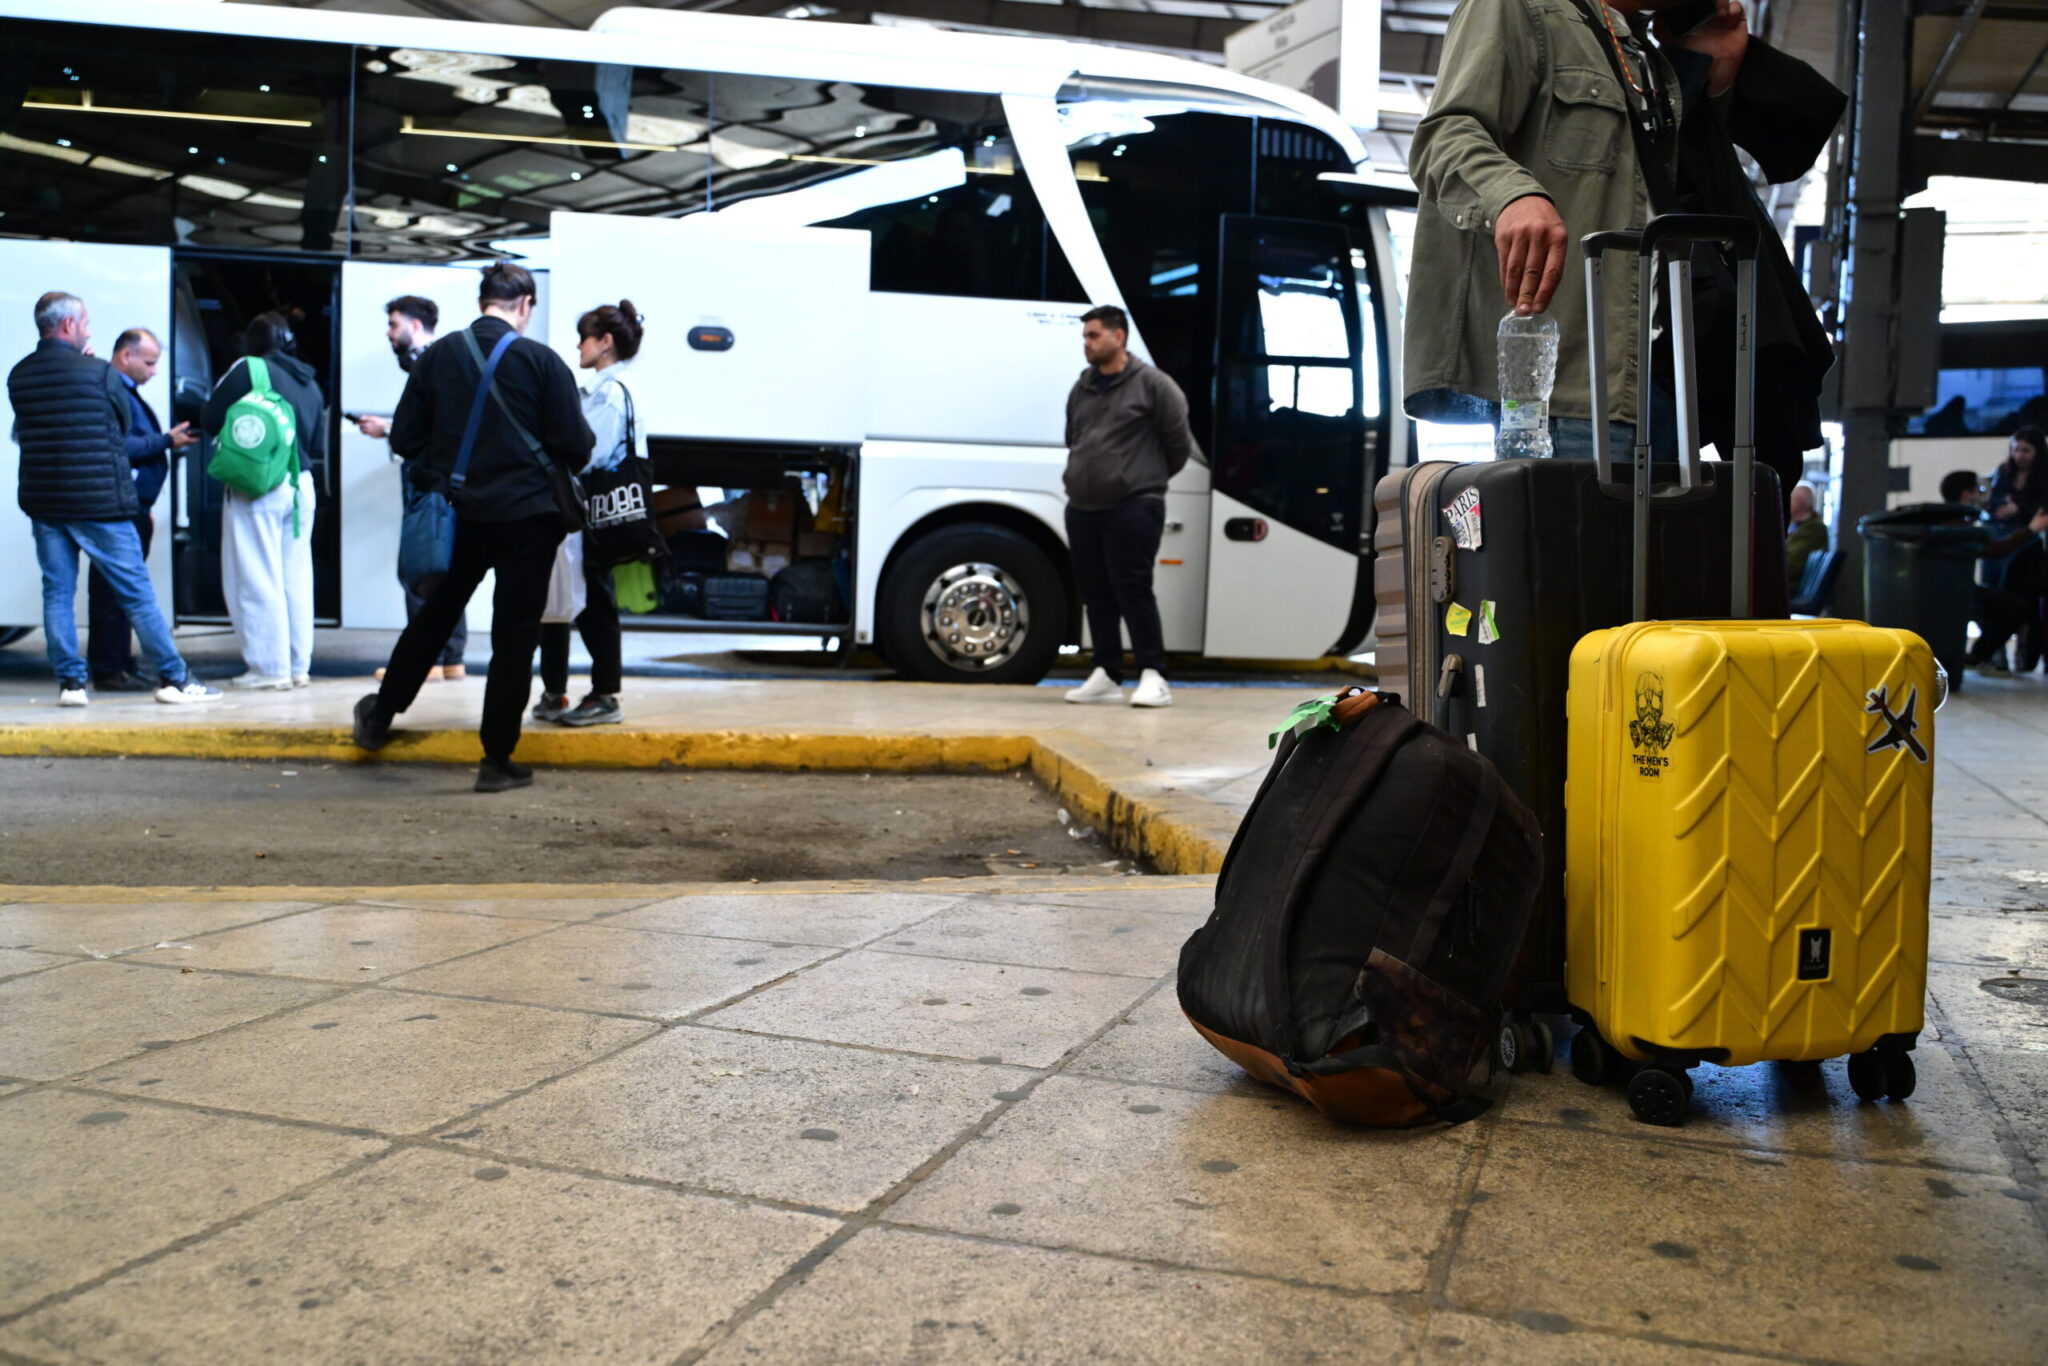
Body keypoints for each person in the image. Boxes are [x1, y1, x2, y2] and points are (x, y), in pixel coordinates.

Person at [1407, 0, 1843, 506]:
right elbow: (1446, 132)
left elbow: (1692, 188)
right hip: (1573, 384)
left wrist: (1713, 73)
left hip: (1660, 380)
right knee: (1582, 546)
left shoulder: (1644, 57)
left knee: (1653, 552)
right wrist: (1512, 196)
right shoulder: (1522, 9)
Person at [352, 263, 593, 793]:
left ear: (483, 299)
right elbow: (577, 447)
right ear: (524, 304)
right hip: (529, 521)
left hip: (459, 514)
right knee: (514, 638)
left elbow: (406, 439)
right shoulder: (542, 361)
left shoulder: (439, 356)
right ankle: (496, 761)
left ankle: (379, 717)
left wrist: (450, 467)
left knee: (435, 618)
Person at [8, 291, 218, 706]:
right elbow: (121, 423)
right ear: (69, 325)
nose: (88, 331)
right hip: (99, 503)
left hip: (45, 501)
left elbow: (24, 431)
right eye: (85, 323)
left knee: (57, 592)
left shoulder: (20, 374)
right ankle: (175, 678)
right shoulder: (99, 373)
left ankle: (71, 684)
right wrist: (92, 369)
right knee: (136, 593)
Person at [1060, 305, 1197, 709]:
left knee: (1133, 587)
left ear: (1118, 337)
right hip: (1083, 506)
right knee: (1095, 592)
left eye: (1093, 335)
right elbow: (1073, 437)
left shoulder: (1154, 385)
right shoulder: (1082, 387)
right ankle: (1106, 672)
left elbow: (1178, 446)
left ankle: (1154, 674)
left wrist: (1140, 479)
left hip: (1134, 505)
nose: (1086, 343)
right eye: (1085, 336)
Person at [200, 311, 325, 689]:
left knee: (256, 575)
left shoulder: (249, 369)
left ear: (253, 342)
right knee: (296, 578)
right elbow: (316, 442)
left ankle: (269, 669)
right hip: (301, 484)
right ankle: (297, 665)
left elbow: (210, 417)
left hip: (261, 483)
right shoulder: (309, 381)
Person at [536, 301, 643, 728]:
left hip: (594, 510)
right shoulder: (600, 390)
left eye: (585, 338)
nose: (579, 346)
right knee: (566, 596)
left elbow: (589, 453)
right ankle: (556, 691)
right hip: (583, 510)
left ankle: (605, 694)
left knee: (594, 600)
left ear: (606, 342)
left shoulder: (611, 393)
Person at [356, 295, 467, 683]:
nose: (389, 333)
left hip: (429, 481)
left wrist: (387, 429)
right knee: (445, 565)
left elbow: (426, 427)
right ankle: (450, 657)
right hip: (446, 481)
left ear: (415, 326)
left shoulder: (428, 364)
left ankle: (427, 659)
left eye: (394, 324)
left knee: (422, 565)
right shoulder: (446, 363)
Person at [87, 327, 199, 691]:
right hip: (120, 508)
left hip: (131, 506)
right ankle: (109, 669)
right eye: (149, 363)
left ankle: (120, 663)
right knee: (113, 593)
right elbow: (120, 445)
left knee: (119, 593)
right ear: (126, 356)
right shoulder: (112, 391)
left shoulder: (124, 391)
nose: (154, 371)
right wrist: (166, 440)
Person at [1937, 469, 2048, 675]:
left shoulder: (1949, 518)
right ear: (1966, 494)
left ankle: (1977, 656)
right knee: (2015, 606)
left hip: (1950, 589)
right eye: (1977, 491)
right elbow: (1996, 550)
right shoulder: (1959, 523)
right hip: (1957, 593)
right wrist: (2031, 529)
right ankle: (1977, 656)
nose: (1982, 496)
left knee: (1999, 600)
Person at [1784, 481, 1828, 595]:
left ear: (1798, 503)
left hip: (1792, 587)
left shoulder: (1813, 529)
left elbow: (1790, 564)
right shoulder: (1799, 527)